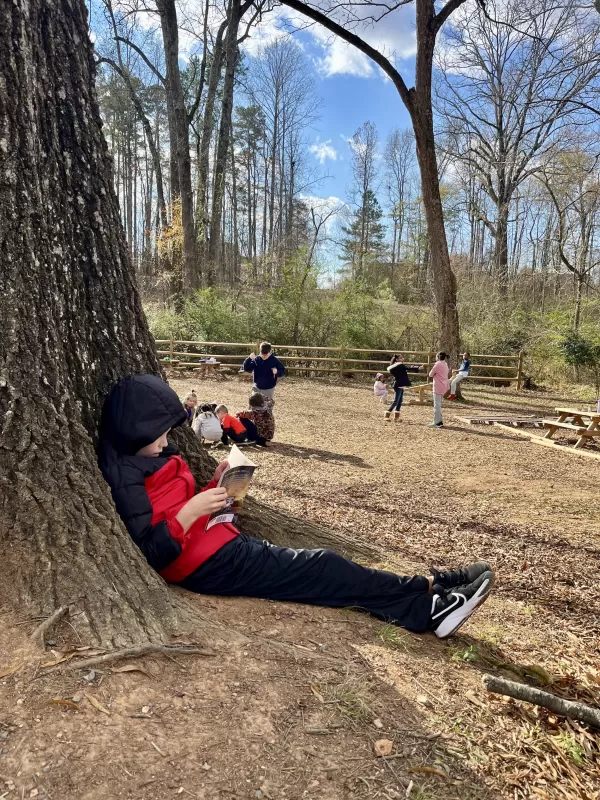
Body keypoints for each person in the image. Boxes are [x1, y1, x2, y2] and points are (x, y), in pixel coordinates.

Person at [97, 374, 495, 639]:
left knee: (322, 570)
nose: (167, 442)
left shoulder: (154, 455)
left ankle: (429, 589)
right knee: (323, 568)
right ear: (137, 430)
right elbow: (152, 551)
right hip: (207, 564)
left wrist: (215, 484)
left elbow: (177, 503)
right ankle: (429, 609)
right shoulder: (126, 475)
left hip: (223, 545)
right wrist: (192, 511)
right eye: (160, 434)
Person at [385, 355, 424, 421]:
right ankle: (387, 414)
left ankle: (396, 417)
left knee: (399, 401)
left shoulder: (397, 366)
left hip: (400, 384)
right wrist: (418, 368)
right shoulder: (399, 365)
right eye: (401, 358)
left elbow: (407, 368)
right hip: (398, 385)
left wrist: (417, 368)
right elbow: (409, 368)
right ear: (397, 359)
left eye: (402, 357)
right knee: (396, 401)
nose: (403, 359)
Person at [428, 352, 450, 428]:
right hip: (443, 386)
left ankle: (437, 422)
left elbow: (430, 374)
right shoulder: (445, 364)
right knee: (439, 404)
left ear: (438, 357)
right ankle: (439, 421)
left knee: (436, 405)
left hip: (438, 386)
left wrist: (434, 374)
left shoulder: (438, 364)